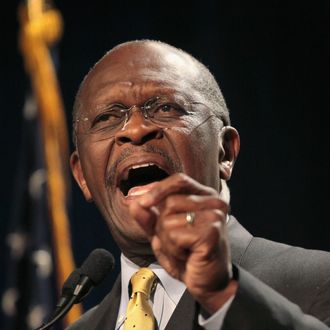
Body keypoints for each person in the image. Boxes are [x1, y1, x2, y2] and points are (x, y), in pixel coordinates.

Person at [68, 40, 330, 329]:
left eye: (165, 107)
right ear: (82, 176)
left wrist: (224, 295)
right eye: (107, 117)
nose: (136, 129)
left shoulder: (318, 280)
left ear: (225, 153)